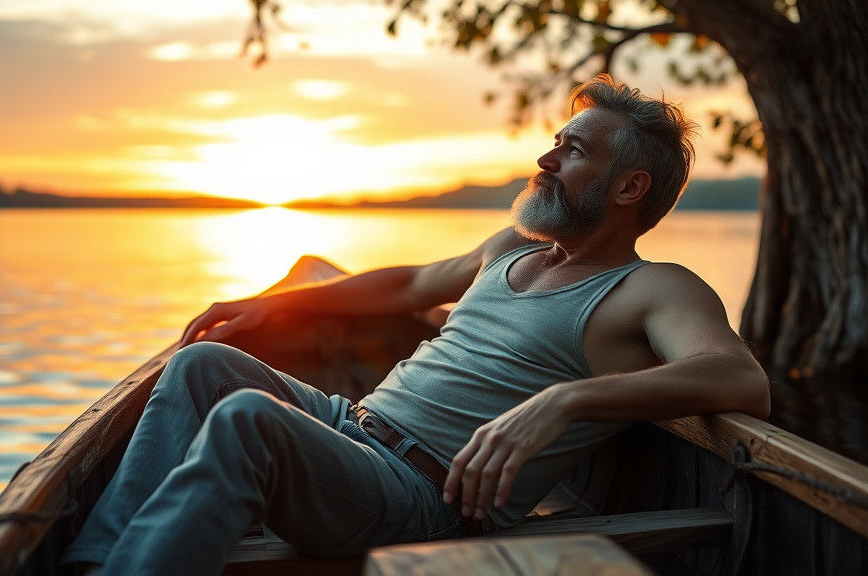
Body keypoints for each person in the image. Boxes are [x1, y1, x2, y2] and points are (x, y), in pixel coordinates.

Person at [61, 74, 770, 575]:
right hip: (353, 427)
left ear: (628, 187)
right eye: (555, 141)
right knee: (201, 366)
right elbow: (408, 285)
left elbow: (739, 377)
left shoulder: (650, 287)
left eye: (574, 150)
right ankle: (98, 564)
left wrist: (567, 397)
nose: (545, 158)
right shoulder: (509, 250)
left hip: (425, 496)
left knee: (250, 418)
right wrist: (279, 303)